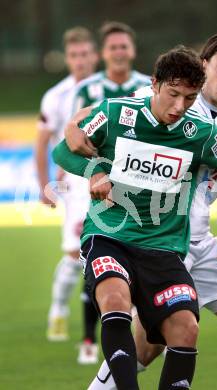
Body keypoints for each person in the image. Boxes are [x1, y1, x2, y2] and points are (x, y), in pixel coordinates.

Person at [53, 46, 217, 390]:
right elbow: (63, 150)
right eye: (173, 95)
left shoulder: (203, 133)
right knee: (115, 301)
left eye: (190, 98)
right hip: (110, 236)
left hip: (165, 247)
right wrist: (94, 171)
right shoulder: (119, 111)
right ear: (154, 84)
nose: (179, 107)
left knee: (185, 329)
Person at [73, 22, 152, 359]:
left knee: (137, 250)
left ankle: (128, 322)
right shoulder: (88, 89)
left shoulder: (148, 86)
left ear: (132, 50)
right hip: (96, 183)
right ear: (102, 53)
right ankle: (90, 338)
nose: (119, 52)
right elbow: (74, 139)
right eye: (113, 47)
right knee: (97, 258)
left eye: (124, 46)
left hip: (138, 186)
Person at [35, 26, 99, 363]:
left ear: (95, 55)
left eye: (85, 54)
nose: (80, 60)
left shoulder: (106, 91)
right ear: (68, 57)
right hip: (75, 186)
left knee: (106, 252)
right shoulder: (56, 96)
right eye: (74, 55)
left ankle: (100, 332)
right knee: (75, 256)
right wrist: (44, 184)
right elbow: (43, 141)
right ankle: (59, 306)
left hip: (107, 182)